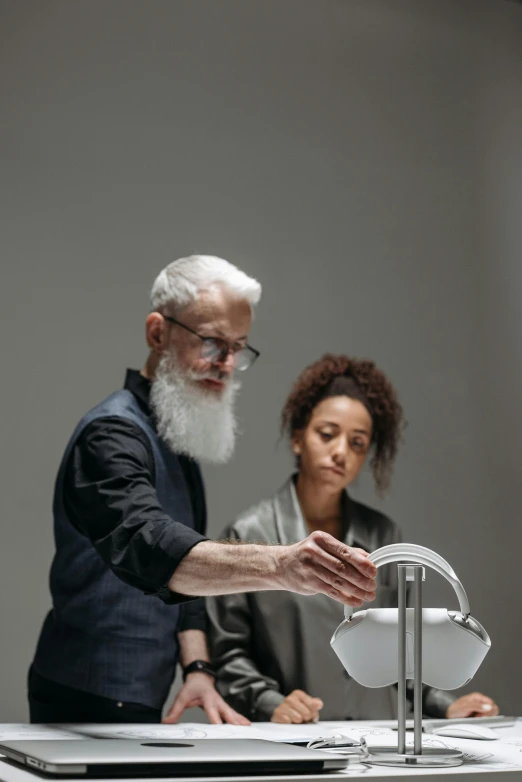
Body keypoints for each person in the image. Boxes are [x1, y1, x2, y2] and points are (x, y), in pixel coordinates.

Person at [29, 258, 377, 725]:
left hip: (143, 695)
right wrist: (281, 565)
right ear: (157, 333)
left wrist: (197, 666)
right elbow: (149, 545)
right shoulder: (109, 435)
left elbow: (187, 573)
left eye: (238, 348)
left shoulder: (176, 434)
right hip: (82, 694)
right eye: (212, 343)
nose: (227, 364)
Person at [207, 354, 499, 723]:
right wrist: (268, 700)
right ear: (298, 438)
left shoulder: (384, 537)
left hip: (376, 739)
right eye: (327, 434)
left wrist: (444, 704)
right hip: (294, 738)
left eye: (358, 443)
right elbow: (228, 651)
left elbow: (405, 649)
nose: (341, 452)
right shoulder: (248, 535)